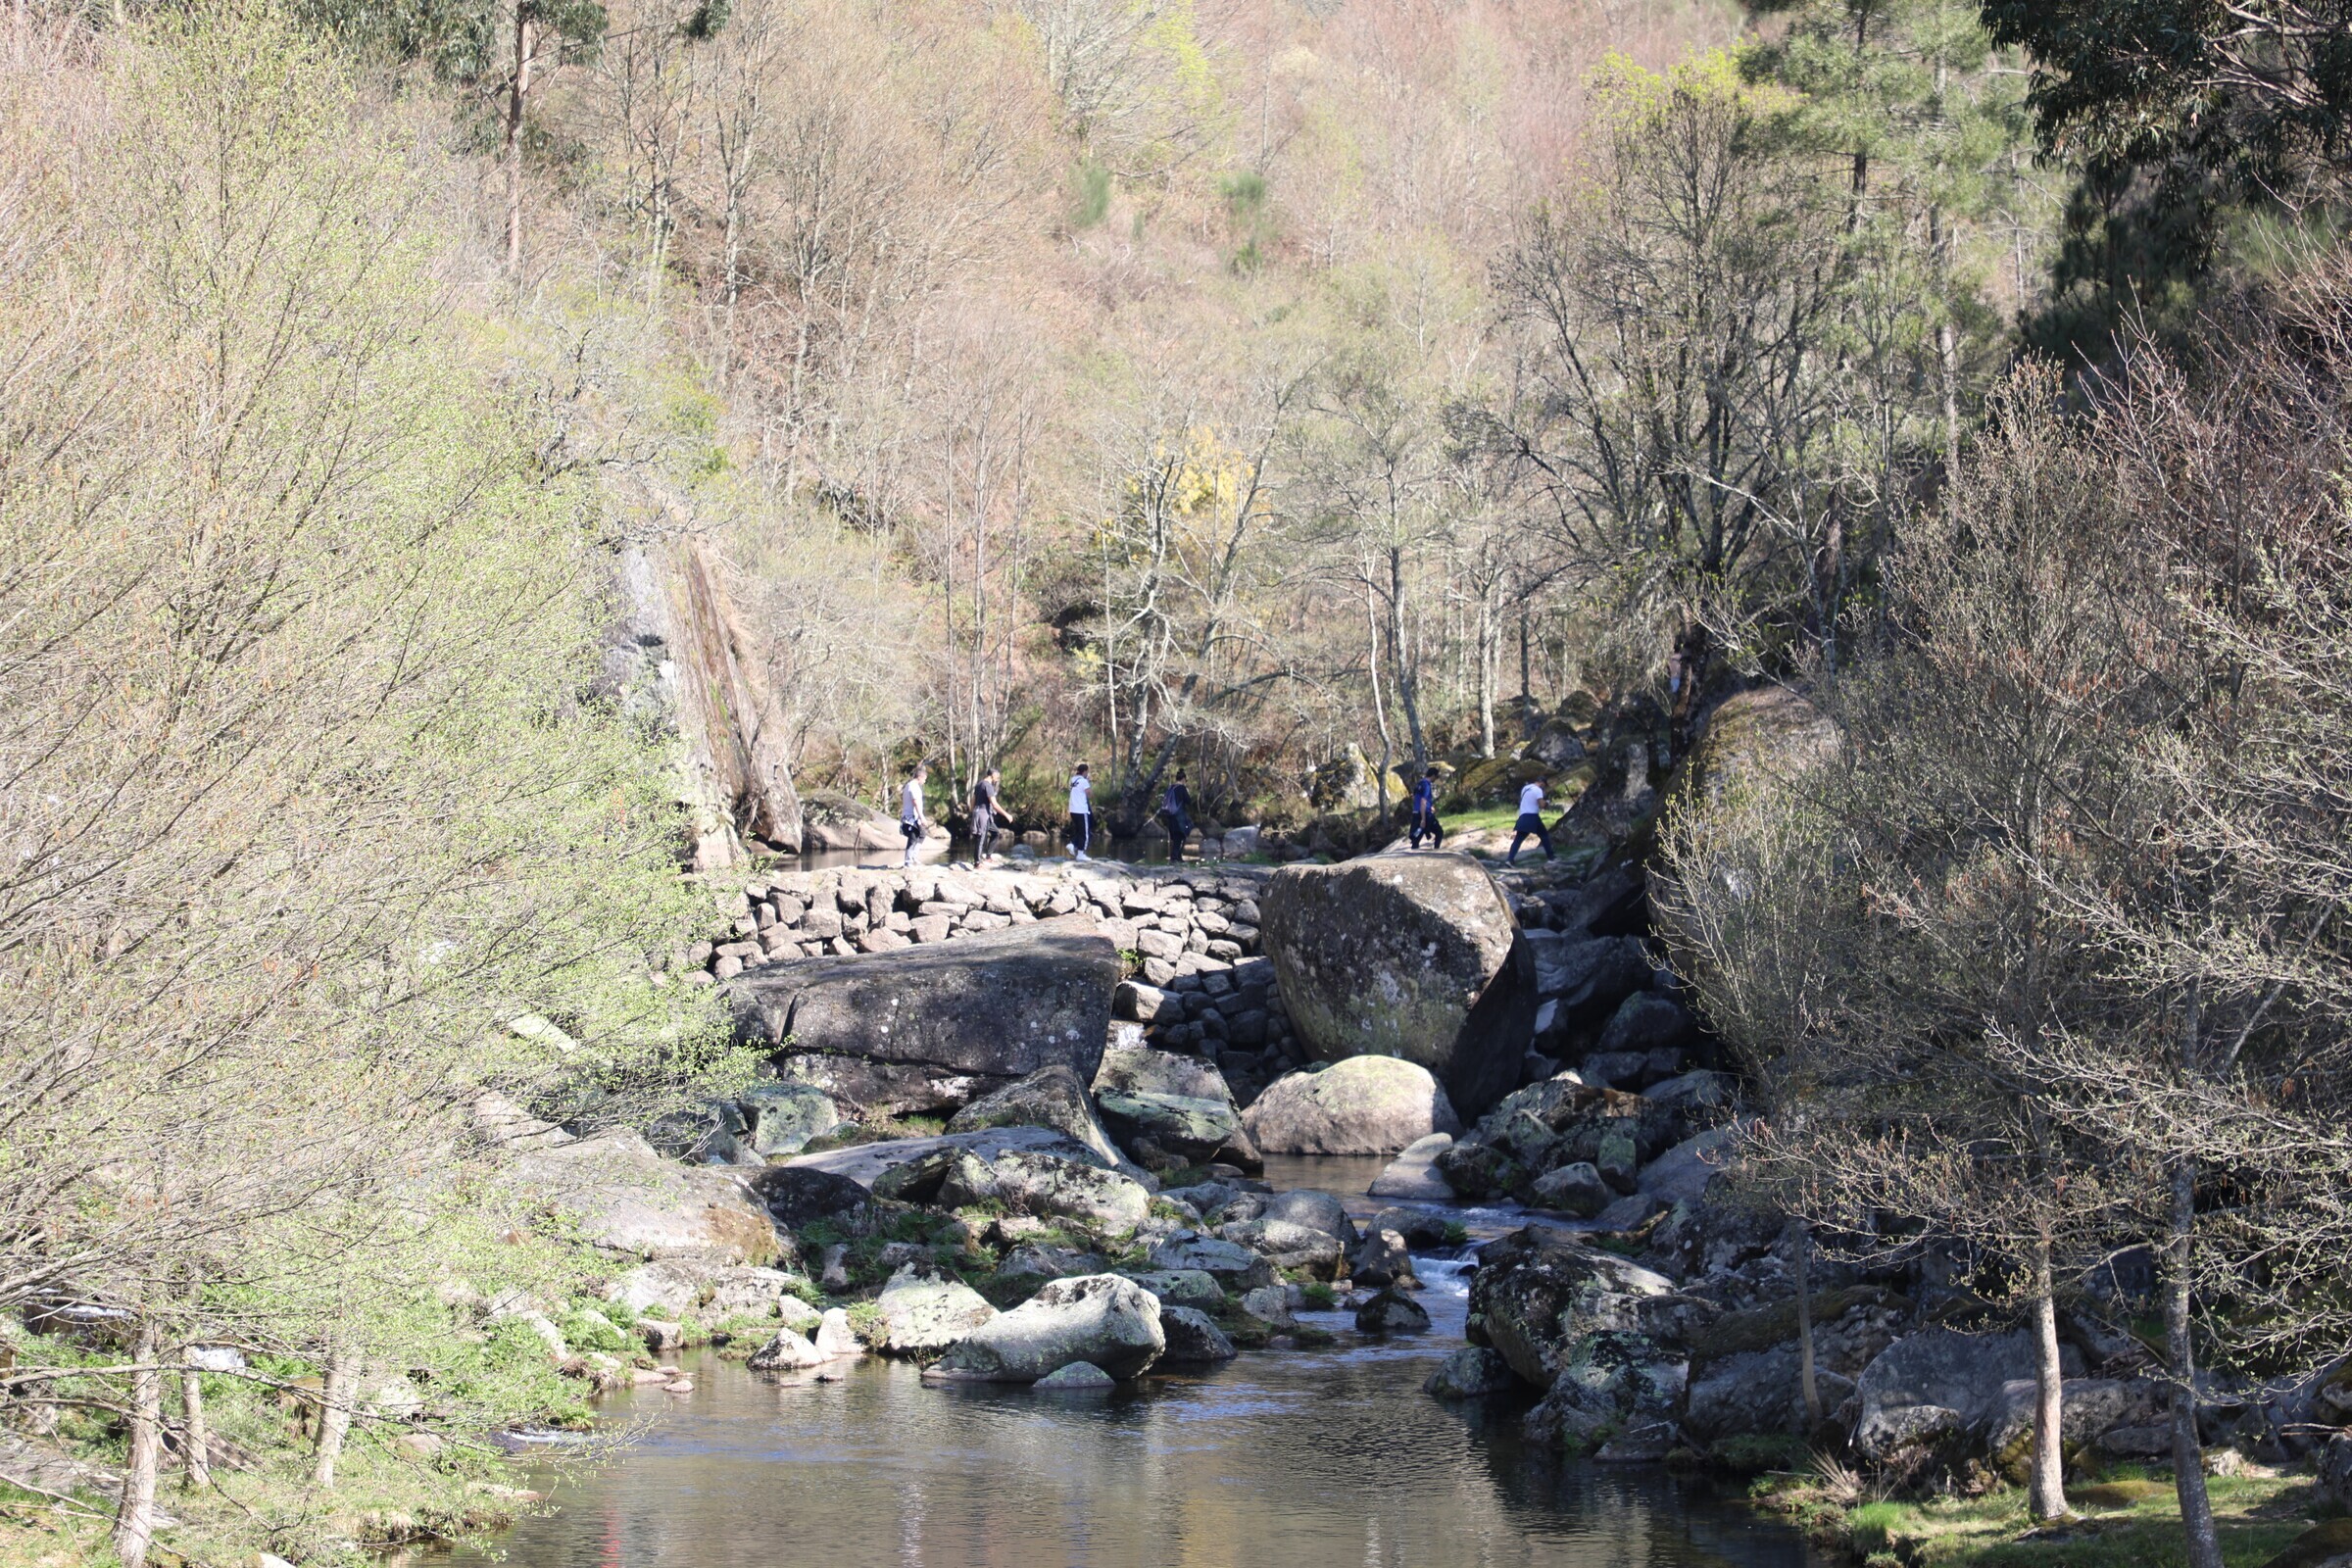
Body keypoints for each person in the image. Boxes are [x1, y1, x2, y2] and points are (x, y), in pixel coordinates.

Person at [1506, 777, 1555, 864]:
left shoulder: (1525, 788)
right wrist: (1547, 802)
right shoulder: (1538, 790)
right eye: (1544, 785)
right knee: (1544, 836)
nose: (1544, 787)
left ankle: (1509, 860)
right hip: (1533, 816)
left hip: (1523, 816)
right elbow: (1541, 805)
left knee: (1518, 839)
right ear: (1542, 783)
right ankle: (1551, 858)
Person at [969, 767, 1011, 863]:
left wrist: (972, 811)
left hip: (982, 814)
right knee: (981, 837)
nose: (998, 779)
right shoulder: (988, 786)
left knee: (995, 833)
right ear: (993, 775)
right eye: (997, 777)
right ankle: (977, 862)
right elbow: (994, 804)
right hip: (983, 814)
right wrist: (1006, 815)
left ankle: (988, 856)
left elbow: (973, 800)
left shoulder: (979, 784)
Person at [899, 761, 930, 868]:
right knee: (913, 837)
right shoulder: (913, 786)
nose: (924, 782)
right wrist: (922, 817)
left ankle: (914, 857)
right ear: (920, 777)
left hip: (914, 817)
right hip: (910, 817)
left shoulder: (910, 785)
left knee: (922, 834)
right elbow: (915, 802)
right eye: (924, 779)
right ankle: (908, 861)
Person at [1159, 770, 1194, 863]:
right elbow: (1188, 801)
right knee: (1181, 835)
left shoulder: (1171, 787)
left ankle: (1177, 857)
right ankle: (1175, 857)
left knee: (1175, 836)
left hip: (1170, 815)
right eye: (1185, 780)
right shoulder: (1181, 788)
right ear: (1183, 779)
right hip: (1179, 815)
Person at [1408, 765, 1445, 849]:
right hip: (1425, 813)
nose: (1436, 779)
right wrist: (1423, 819)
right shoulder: (1427, 785)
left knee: (1419, 833)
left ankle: (1414, 846)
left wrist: (1430, 806)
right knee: (1439, 832)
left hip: (1416, 812)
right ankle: (1436, 850)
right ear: (1433, 775)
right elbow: (1423, 801)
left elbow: (1414, 797)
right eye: (1436, 777)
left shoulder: (1419, 783)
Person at [1065, 763, 1094, 860]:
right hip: (1081, 810)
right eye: (1087, 772)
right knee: (1085, 833)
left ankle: (1072, 844)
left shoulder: (1073, 780)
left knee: (1079, 831)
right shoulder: (1083, 781)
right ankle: (1081, 854)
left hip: (1073, 810)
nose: (1087, 773)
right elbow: (1090, 794)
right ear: (1085, 771)